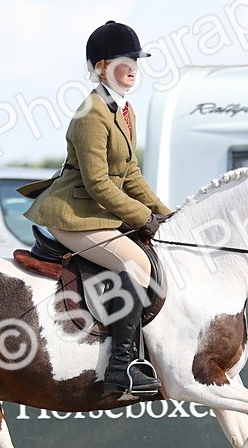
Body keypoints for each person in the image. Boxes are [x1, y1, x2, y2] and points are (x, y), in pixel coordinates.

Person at [19, 20, 172, 396]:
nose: (134, 66)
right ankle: (121, 368)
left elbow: (131, 173)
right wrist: (141, 218)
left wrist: (166, 215)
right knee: (134, 263)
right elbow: (98, 183)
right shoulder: (91, 113)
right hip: (71, 214)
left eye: (138, 59)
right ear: (102, 66)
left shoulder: (124, 111)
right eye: (126, 60)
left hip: (97, 214)